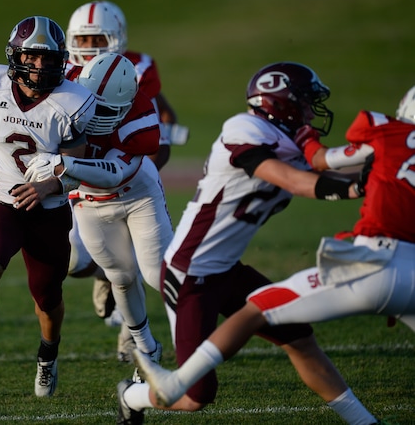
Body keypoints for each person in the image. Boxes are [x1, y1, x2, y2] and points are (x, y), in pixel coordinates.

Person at [132, 86, 415, 425]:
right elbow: (295, 181)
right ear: (282, 105)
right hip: (190, 272)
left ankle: (364, 422)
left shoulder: (287, 143)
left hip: (227, 270)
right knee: (196, 397)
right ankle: (130, 396)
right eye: (306, 104)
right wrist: (355, 186)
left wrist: (374, 175)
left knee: (300, 340)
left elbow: (328, 171)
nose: (311, 114)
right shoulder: (245, 128)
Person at [0, 15, 96, 397]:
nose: (41, 65)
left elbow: (77, 164)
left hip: (49, 208)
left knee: (47, 295)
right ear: (16, 55)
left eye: (49, 57)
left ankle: (48, 356)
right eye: (33, 56)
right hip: (0, 197)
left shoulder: (73, 101)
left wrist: (48, 186)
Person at [25, 52, 174, 381]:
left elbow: (114, 173)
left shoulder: (142, 119)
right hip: (88, 201)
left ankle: (193, 345)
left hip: (137, 195)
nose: (92, 115)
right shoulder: (65, 91)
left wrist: (63, 166)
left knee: (158, 273)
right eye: (89, 103)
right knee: (120, 276)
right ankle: (147, 348)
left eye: (103, 110)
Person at [64, 0, 189, 362]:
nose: (89, 48)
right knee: (74, 263)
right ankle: (109, 277)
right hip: (81, 183)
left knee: (152, 269)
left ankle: (142, 337)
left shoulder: (136, 69)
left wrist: (133, 167)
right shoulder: (61, 72)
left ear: (117, 38)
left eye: (97, 38)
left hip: (127, 173)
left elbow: (157, 121)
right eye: (82, 40)